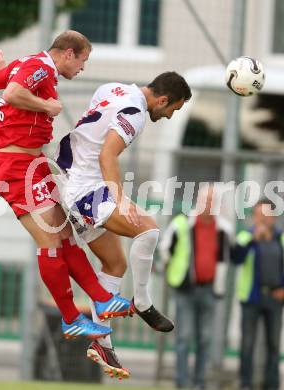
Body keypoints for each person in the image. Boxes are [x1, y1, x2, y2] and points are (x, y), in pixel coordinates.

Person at [0, 30, 132, 341]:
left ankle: (101, 297)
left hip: (31, 165)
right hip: (15, 168)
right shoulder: (41, 67)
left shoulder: (27, 64)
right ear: (68, 53)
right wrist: (45, 106)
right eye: (83, 60)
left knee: (64, 234)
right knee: (50, 241)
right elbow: (15, 92)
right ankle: (71, 318)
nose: (82, 68)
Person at [54, 71, 192, 378]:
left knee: (115, 264)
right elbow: (107, 154)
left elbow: (90, 136)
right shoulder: (136, 111)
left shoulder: (112, 89)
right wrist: (118, 199)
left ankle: (102, 342)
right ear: (162, 100)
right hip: (84, 189)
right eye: (172, 109)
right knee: (149, 228)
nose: (169, 116)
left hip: (69, 182)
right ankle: (143, 302)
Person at [159, 184, 232, 389]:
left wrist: (219, 286)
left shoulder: (223, 229)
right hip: (185, 290)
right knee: (183, 337)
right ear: (197, 202)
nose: (208, 205)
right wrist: (174, 275)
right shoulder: (182, 224)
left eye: (212, 201)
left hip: (209, 289)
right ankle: (182, 382)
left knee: (205, 338)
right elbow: (165, 249)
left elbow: (224, 259)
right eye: (205, 201)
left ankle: (199, 382)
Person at [232, 198, 284, 390]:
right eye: (260, 215)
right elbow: (236, 257)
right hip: (252, 298)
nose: (264, 219)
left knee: (273, 345)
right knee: (248, 343)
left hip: (275, 298)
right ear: (254, 217)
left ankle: (272, 385)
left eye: (267, 215)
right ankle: (246, 383)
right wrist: (253, 239)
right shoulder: (246, 237)